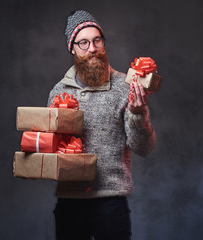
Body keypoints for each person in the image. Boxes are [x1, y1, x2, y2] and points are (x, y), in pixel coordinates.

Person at [47, 10, 156, 240]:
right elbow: (50, 148)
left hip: (111, 202)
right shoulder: (58, 92)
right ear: (72, 48)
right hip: (70, 201)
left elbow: (143, 148)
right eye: (83, 42)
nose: (92, 48)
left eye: (97, 40)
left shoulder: (124, 86)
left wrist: (138, 112)